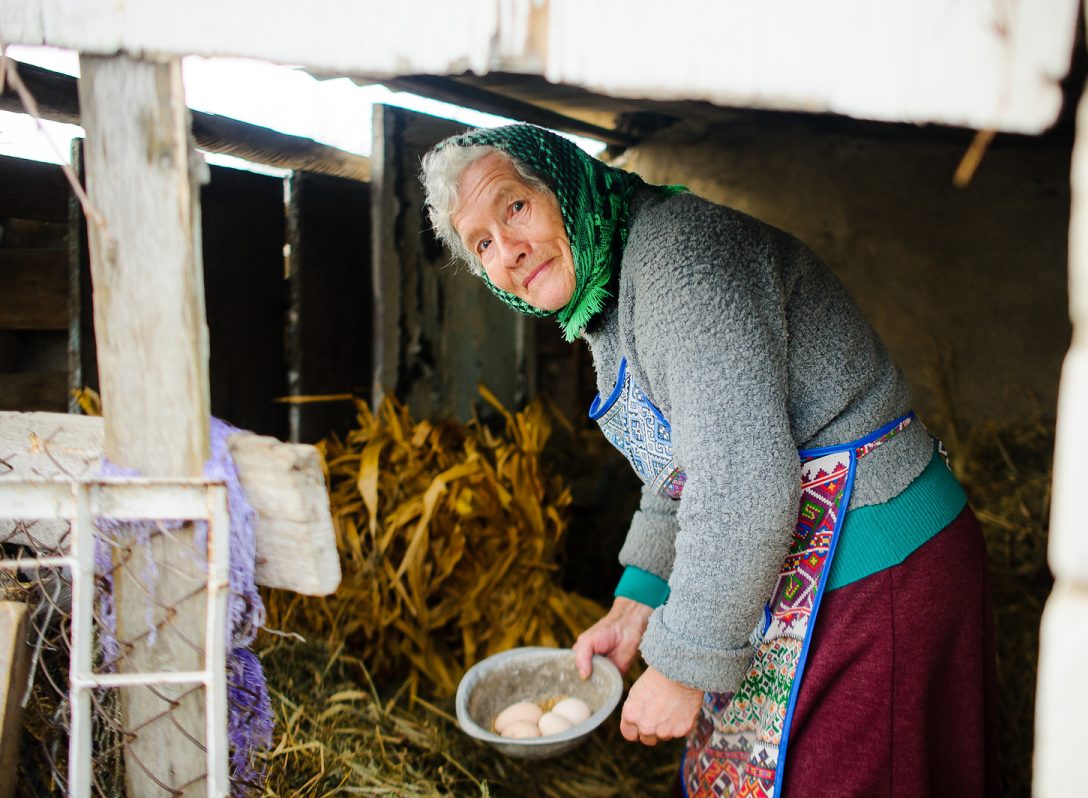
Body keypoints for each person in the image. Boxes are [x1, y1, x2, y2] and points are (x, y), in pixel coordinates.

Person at [421, 124, 998, 797]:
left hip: (878, 568)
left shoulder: (677, 260)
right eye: (481, 244)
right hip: (790, 565)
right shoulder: (603, 299)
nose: (508, 252)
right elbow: (680, 471)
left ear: (565, 184)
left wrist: (682, 666)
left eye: (514, 207)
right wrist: (636, 604)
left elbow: (738, 478)